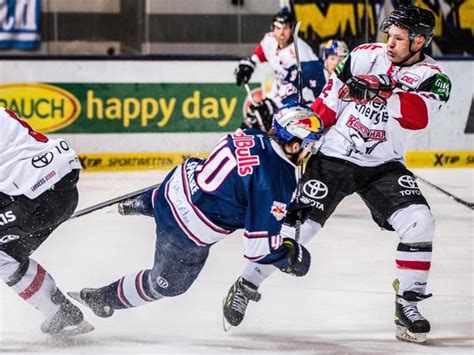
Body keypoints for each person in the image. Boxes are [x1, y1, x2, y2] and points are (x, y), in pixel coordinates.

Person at [222, 6, 451, 344]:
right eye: (389, 35)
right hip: (334, 157)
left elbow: (417, 117)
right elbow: (328, 103)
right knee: (299, 230)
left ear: (419, 41)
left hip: (383, 166)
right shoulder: (363, 56)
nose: (390, 43)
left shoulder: (434, 77)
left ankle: (408, 304)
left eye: (399, 39)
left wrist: (380, 91)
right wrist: (305, 129)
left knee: (421, 221)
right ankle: (246, 283)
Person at [68, 103, 323, 327]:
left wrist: (283, 208)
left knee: (191, 196)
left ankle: (146, 203)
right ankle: (104, 298)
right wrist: (289, 257)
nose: (312, 151)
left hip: (175, 184)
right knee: (166, 285)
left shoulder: (252, 134)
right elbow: (258, 248)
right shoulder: (277, 180)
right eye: (309, 144)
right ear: (292, 144)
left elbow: (242, 181)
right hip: (184, 228)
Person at [0, 107, 93, 337]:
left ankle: (59, 310)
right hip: (62, 189)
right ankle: (62, 313)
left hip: (34, 198)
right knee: (5, 254)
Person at [236, 8, 318, 131]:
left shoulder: (301, 52)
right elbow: (259, 55)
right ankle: (239, 143)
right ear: (272, 28)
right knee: (255, 117)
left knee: (271, 124)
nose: (281, 33)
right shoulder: (270, 40)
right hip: (280, 95)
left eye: (285, 28)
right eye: (278, 28)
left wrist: (276, 107)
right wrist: (248, 65)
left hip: (301, 102)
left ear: (292, 29)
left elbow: (312, 85)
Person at [242, 39, 349, 132]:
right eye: (332, 59)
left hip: (326, 126)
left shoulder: (349, 80)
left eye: (341, 60)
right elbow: (287, 89)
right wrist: (276, 106)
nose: (336, 64)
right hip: (297, 115)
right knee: (259, 116)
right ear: (325, 59)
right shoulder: (310, 69)